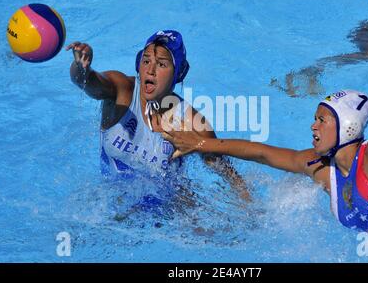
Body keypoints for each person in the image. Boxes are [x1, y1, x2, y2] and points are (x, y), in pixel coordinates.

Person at [162, 89, 368, 237]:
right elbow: (262, 153)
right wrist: (202, 144)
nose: (313, 125)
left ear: (348, 126)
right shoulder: (321, 169)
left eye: (322, 119)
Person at [66, 30, 251, 212]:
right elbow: (88, 82)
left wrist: (251, 209)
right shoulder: (122, 91)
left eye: (161, 64)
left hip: (166, 216)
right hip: (109, 203)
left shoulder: (190, 122)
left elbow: (229, 175)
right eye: (146, 61)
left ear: (178, 74)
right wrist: (81, 67)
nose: (150, 70)